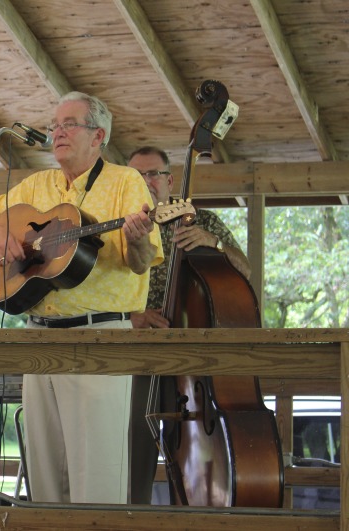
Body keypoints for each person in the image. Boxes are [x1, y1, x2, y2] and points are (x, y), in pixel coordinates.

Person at [0, 92, 164, 504]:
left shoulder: (126, 181)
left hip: (101, 337)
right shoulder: (37, 185)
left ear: (98, 136)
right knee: (45, 471)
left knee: (98, 472)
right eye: (55, 125)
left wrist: (136, 237)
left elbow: (141, 264)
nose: (57, 132)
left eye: (69, 124)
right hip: (40, 338)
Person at [126, 145, 251, 504]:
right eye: (136, 175)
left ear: (169, 180)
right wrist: (132, 318)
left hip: (194, 362)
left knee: (204, 453)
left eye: (152, 174)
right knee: (135, 450)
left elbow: (247, 273)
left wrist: (214, 244)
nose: (145, 182)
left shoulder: (203, 220)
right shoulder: (123, 226)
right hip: (138, 356)